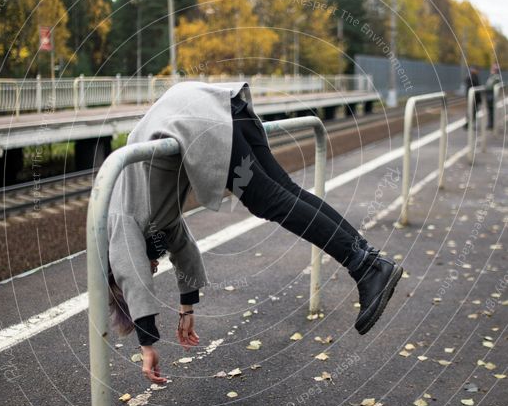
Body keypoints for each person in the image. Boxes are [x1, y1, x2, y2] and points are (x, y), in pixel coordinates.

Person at [107, 80, 403, 383]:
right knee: (284, 191)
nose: (153, 267)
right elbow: (184, 250)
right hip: (216, 108)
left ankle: (366, 267)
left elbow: (131, 272)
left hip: (200, 119)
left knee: (268, 200)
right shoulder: (152, 219)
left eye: (151, 266)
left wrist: (147, 344)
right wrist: (187, 308)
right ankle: (368, 260)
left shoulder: (119, 220)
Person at [484, 64, 502, 129]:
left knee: (491, 110)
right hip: (488, 94)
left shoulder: (496, 77)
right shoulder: (491, 77)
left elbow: (492, 85)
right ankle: (490, 124)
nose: (491, 70)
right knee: (489, 110)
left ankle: (491, 124)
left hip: (491, 94)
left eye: (493, 69)